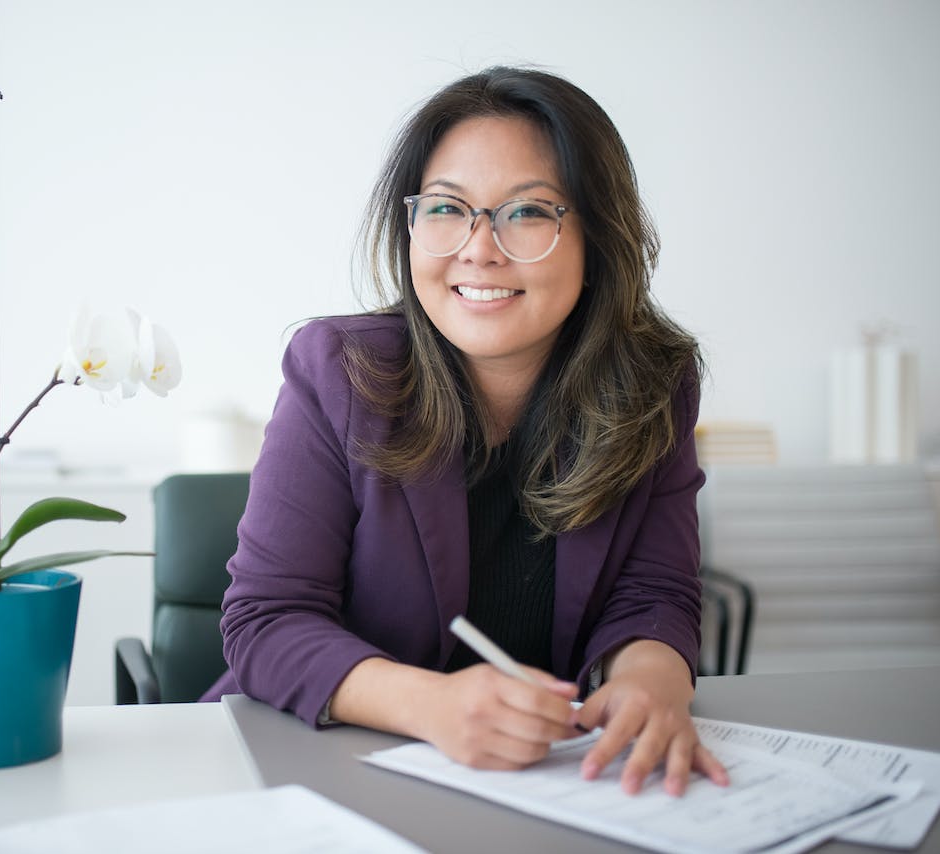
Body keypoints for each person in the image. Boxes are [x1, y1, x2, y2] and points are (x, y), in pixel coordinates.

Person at [202, 66, 728, 797]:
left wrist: (649, 680)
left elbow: (654, 596)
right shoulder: (339, 372)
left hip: (549, 788)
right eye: (447, 208)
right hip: (314, 774)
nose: (478, 249)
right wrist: (432, 706)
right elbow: (265, 621)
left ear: (598, 238)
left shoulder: (651, 384)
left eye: (527, 212)